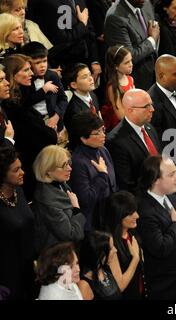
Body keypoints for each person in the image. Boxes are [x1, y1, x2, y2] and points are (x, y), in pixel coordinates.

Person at [136, 155, 176, 300]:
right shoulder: (144, 211)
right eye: (171, 174)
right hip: (165, 286)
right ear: (155, 180)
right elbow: (160, 248)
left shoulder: (172, 196)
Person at [2, 54, 57, 200]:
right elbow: (35, 136)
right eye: (26, 70)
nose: (32, 73)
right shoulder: (11, 107)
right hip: (27, 169)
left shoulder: (21, 99)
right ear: (13, 74)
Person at [32, 145, 86, 253]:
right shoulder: (47, 200)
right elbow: (72, 234)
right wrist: (76, 208)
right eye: (64, 165)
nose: (70, 168)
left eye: (69, 163)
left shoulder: (61, 185)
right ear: (48, 170)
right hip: (57, 258)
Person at [69, 112, 117, 231]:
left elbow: (113, 185)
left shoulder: (103, 150)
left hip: (110, 216)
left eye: (103, 130)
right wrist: (102, 175)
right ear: (83, 139)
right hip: (94, 224)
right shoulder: (78, 162)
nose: (103, 135)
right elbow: (86, 200)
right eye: (97, 133)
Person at [106, 89, 161, 192]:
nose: (152, 109)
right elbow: (126, 184)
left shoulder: (149, 128)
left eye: (151, 104)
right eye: (146, 106)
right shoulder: (116, 141)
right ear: (130, 110)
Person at [0, 144, 36, 300]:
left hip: (28, 268)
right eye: (16, 170)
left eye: (20, 167)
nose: (23, 172)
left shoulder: (19, 192)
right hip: (7, 277)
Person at [27, 0, 100, 73]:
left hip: (87, 60)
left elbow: (90, 31)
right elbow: (64, 38)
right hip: (66, 64)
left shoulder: (79, 1)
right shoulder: (49, 3)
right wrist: (82, 24)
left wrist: (94, 60)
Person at [104, 0, 159, 90]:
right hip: (136, 81)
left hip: (154, 74)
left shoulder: (146, 4)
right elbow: (129, 57)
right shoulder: (114, 18)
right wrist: (152, 40)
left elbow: (155, 31)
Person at [105, 191, 146, 300]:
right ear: (118, 215)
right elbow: (120, 286)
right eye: (130, 213)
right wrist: (135, 259)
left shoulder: (133, 234)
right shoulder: (110, 243)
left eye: (135, 211)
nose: (137, 216)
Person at [21, 41, 68, 135]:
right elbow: (25, 103)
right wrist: (44, 90)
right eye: (37, 63)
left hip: (54, 120)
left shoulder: (53, 76)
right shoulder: (25, 80)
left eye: (45, 61)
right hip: (34, 124)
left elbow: (63, 99)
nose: (43, 66)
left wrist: (57, 116)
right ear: (28, 64)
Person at [78, 231, 123, 300]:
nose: (115, 250)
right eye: (111, 249)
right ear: (100, 255)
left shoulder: (106, 269)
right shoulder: (84, 285)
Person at [102, 45, 135, 132]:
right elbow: (120, 115)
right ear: (116, 66)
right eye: (126, 62)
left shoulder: (130, 79)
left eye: (131, 60)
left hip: (133, 118)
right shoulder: (113, 87)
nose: (131, 64)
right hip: (121, 125)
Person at [63, 63, 102, 134]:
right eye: (84, 77)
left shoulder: (93, 95)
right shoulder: (74, 110)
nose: (91, 78)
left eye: (90, 74)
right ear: (74, 85)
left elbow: (99, 115)